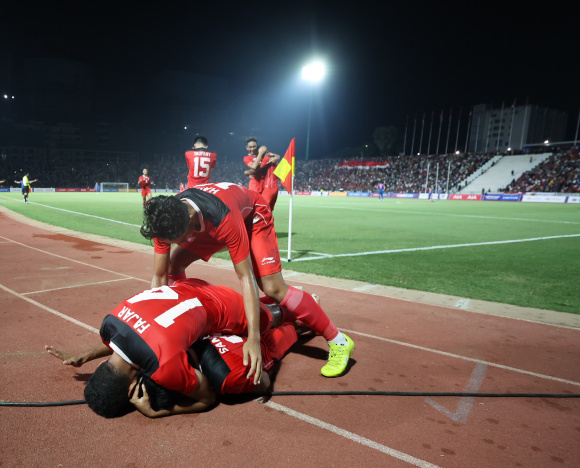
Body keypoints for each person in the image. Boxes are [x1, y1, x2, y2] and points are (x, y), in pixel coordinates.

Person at [141, 183, 354, 383]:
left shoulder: (223, 218)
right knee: (173, 265)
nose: (178, 244)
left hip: (251, 215)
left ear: (189, 218)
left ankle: (338, 341)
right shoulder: (167, 219)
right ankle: (183, 320)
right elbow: (160, 276)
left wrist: (253, 339)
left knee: (272, 287)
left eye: (179, 239)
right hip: (207, 221)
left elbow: (245, 277)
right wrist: (155, 327)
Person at [46, 278, 289, 418]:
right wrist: (87, 354)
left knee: (272, 319)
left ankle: (297, 311)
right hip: (188, 286)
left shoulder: (164, 368)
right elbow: (136, 336)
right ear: (100, 364)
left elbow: (209, 397)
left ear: (133, 386)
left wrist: (160, 412)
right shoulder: (108, 325)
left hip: (225, 307)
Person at [243, 137, 281, 211]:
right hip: (255, 184)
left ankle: (267, 222)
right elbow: (254, 167)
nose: (252, 148)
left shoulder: (266, 155)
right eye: (250, 147)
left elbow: (276, 155)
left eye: (254, 146)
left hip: (265, 184)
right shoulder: (247, 158)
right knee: (254, 206)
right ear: (247, 148)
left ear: (257, 146)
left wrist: (276, 157)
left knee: (267, 208)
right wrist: (260, 153)